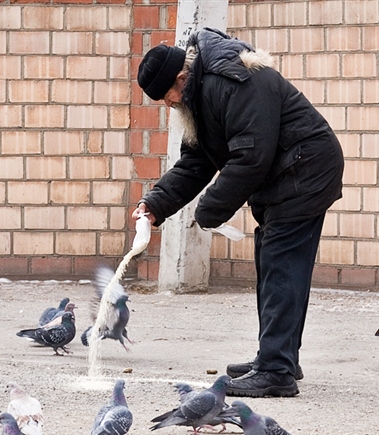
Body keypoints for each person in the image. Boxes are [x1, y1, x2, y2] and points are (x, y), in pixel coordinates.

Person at [133, 28, 344, 397]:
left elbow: (252, 156)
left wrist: (210, 210)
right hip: (287, 173)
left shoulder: (232, 80)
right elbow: (195, 163)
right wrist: (154, 205)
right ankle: (278, 357)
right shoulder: (198, 97)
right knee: (274, 264)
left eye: (167, 97)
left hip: (305, 169)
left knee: (282, 266)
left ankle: (276, 370)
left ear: (182, 78)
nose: (169, 106)